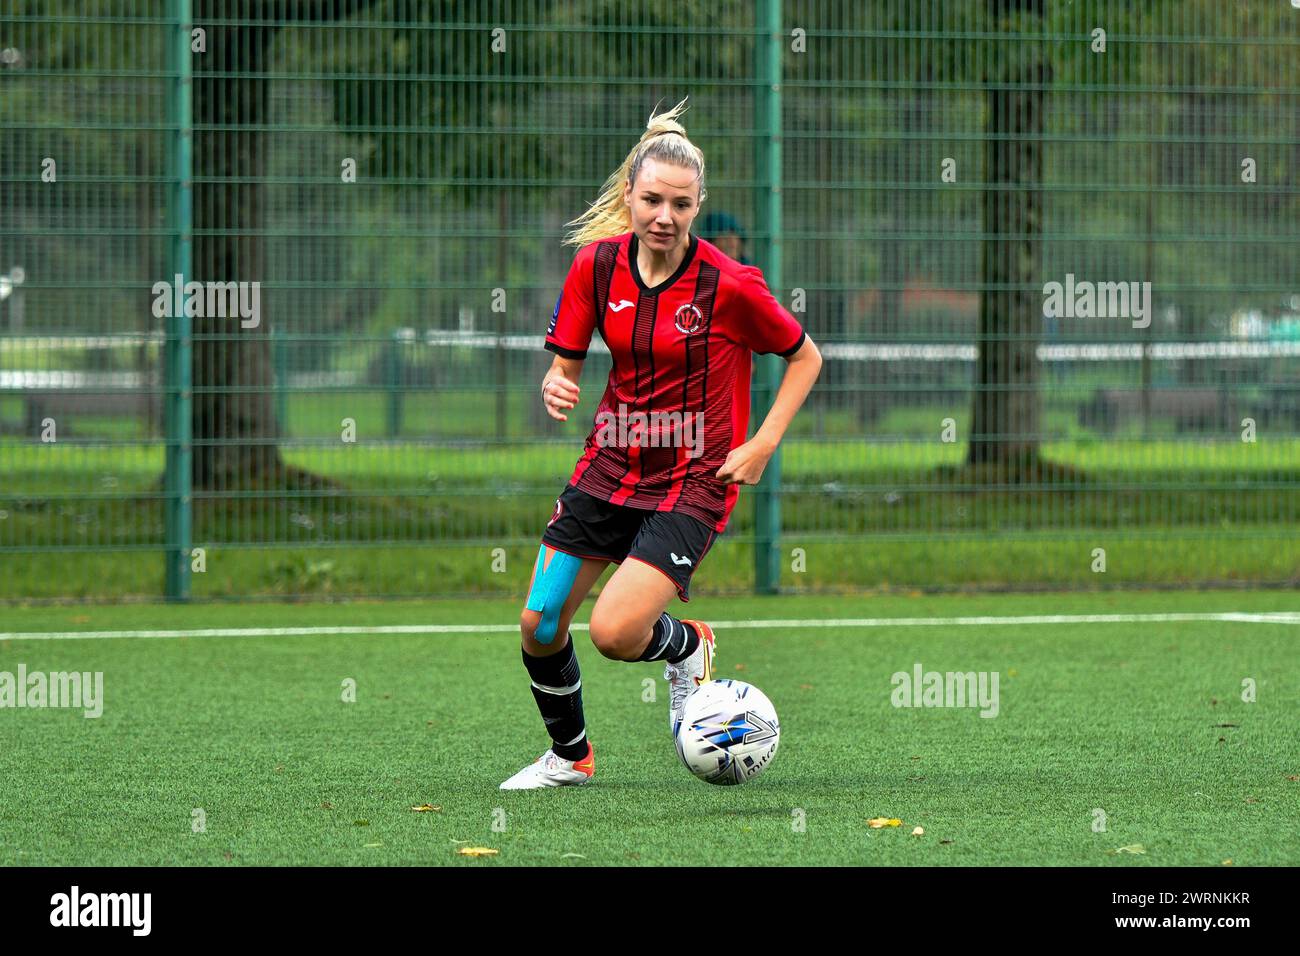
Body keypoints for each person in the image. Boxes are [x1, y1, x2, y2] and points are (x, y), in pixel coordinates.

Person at [500, 98, 822, 789]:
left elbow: (805, 358)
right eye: (651, 200)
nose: (663, 216)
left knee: (614, 634)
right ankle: (571, 758)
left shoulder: (730, 285)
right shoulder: (595, 267)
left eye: (679, 203)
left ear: (697, 204)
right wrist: (557, 384)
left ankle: (688, 646)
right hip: (609, 462)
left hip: (693, 482)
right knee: (539, 623)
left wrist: (763, 443)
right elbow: (565, 366)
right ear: (630, 195)